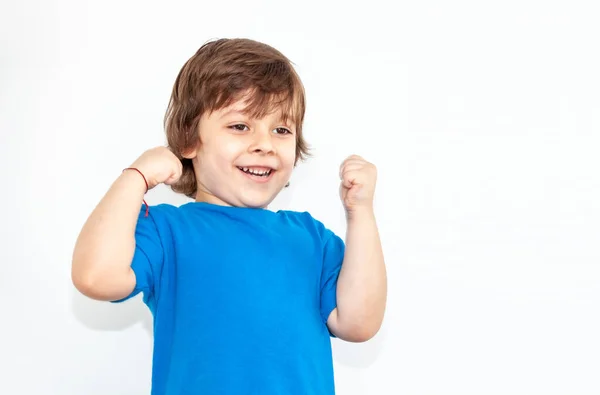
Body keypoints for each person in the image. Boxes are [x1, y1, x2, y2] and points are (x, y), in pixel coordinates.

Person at [72, 38, 387, 395]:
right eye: (240, 126)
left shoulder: (311, 237)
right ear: (189, 140)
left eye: (281, 130)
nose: (264, 143)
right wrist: (136, 178)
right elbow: (95, 277)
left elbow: (359, 323)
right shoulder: (167, 231)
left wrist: (360, 214)